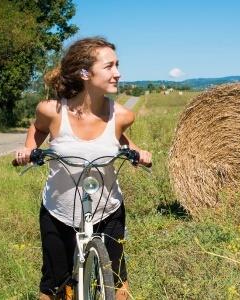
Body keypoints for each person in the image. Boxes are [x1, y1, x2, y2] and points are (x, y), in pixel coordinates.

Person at [15, 37, 152, 300]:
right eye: (110, 66)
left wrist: (138, 153)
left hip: (107, 209)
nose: (118, 73)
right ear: (85, 73)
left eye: (118, 65)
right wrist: (29, 151)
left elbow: (120, 139)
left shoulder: (122, 115)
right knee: (54, 287)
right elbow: (38, 128)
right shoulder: (53, 111)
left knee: (117, 285)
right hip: (60, 211)